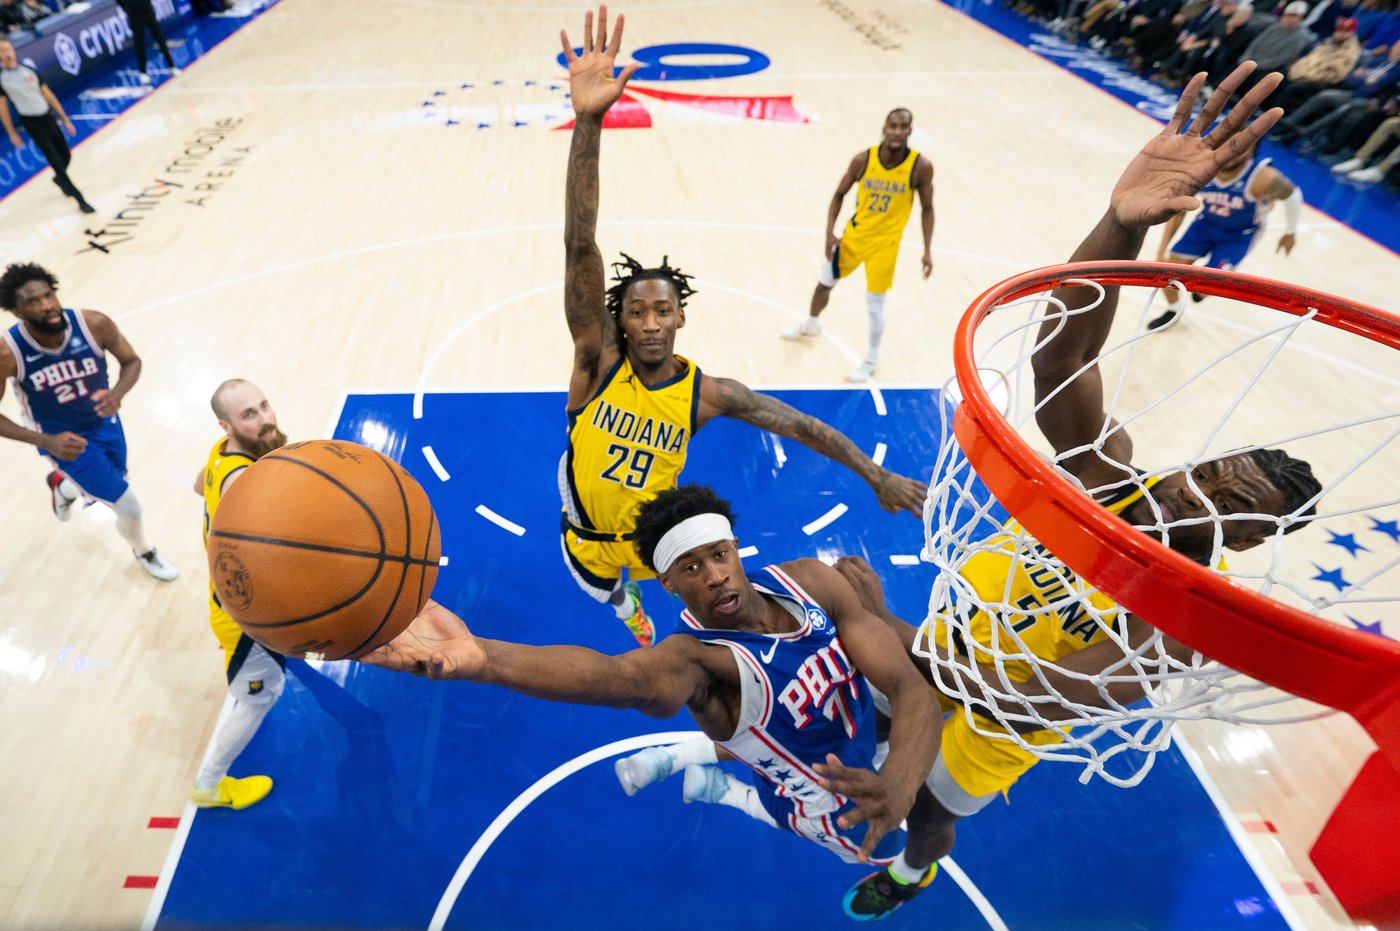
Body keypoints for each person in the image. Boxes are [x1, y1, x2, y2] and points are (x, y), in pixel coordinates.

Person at [799, 62, 1323, 916]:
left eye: (1230, 499)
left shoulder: (1187, 618)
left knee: (923, 816)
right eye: (1213, 467)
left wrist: (887, 630)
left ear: (1251, 536)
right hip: (939, 645)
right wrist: (1117, 225)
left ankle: (915, 872)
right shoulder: (1114, 476)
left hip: (992, 721)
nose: (1197, 486)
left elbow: (1034, 689)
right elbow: (1058, 363)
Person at [364, 481, 944, 921]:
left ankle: (699, 763)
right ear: (668, 584)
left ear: (736, 548)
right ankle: (728, 792)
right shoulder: (697, 664)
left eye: (719, 555)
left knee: (910, 776)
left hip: (861, 733)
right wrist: (485, 658)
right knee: (878, 841)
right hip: (819, 793)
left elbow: (912, 684)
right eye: (690, 568)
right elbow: (617, 678)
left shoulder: (808, 582)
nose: (714, 576)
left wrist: (899, 779)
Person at [556, 7, 926, 649]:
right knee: (608, 594)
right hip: (582, 531)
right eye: (636, 311)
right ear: (618, 319)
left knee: (691, 586)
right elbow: (578, 243)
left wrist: (875, 475)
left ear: (680, 317)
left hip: (658, 542)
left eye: (661, 310)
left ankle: (657, 608)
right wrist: (589, 122)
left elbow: (804, 426)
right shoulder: (598, 363)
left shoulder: (706, 395)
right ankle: (624, 603)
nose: (648, 323)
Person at [0, 263, 178, 581]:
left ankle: (63, 486)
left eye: (49, 295)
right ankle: (144, 551)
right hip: (61, 439)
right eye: (34, 302)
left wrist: (118, 392)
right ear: (16, 311)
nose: (48, 305)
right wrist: (44, 442)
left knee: (116, 481)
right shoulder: (8, 352)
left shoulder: (94, 323)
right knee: (129, 506)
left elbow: (131, 361)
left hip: (104, 422)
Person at [188, 379, 288, 809]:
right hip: (244, 616)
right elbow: (265, 559)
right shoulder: (245, 481)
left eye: (264, 406)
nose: (265, 419)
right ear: (227, 424)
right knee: (260, 696)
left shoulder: (222, 451)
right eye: (250, 415)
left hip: (230, 595)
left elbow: (199, 485)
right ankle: (209, 786)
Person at [780, 109, 935, 383]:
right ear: (884, 128)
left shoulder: (919, 167)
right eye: (893, 126)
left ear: (910, 131)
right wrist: (829, 233)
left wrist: (927, 250)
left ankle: (871, 360)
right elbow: (839, 194)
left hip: (885, 246)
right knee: (823, 285)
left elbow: (927, 208)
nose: (897, 132)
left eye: (903, 127)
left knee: (875, 305)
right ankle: (812, 324)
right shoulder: (864, 160)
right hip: (853, 238)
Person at [1144, 140, 1301, 329]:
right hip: (1204, 226)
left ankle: (1202, 289)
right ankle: (1173, 310)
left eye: (1240, 147)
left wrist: (1290, 232)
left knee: (1208, 286)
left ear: (1251, 152)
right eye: (1228, 145)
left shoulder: (1264, 178)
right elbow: (1178, 209)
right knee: (1168, 273)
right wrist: (1162, 250)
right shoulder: (1201, 170)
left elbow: (1293, 194)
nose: (1232, 152)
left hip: (1240, 235)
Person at [0, 38, 95, 213]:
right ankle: (80, 199)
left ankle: (60, 179)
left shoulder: (28, 71)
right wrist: (11, 132)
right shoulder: (2, 79)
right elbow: (3, 109)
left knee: (65, 155)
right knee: (56, 162)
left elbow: (48, 94)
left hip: (48, 118)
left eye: (7, 49)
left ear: (13, 50)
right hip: (32, 123)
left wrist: (65, 119)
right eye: (1, 51)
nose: (6, 53)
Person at [115, 0, 180, 84]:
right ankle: (143, 73)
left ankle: (171, 66)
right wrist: (127, 8)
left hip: (147, 11)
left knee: (160, 39)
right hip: (134, 15)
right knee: (140, 45)